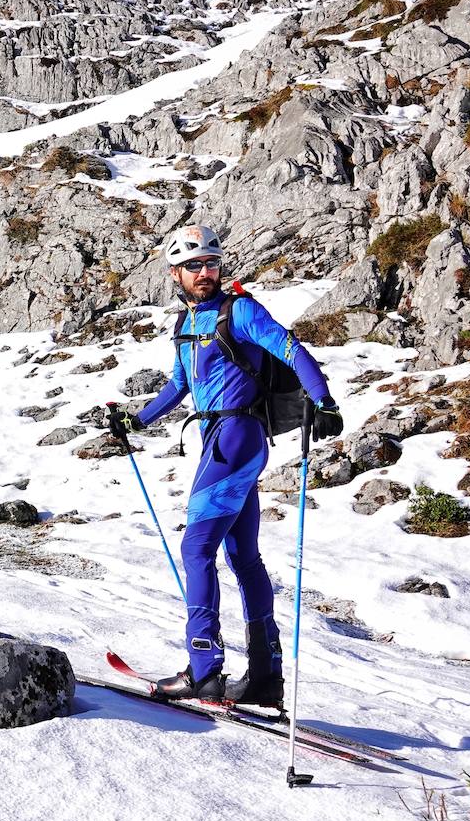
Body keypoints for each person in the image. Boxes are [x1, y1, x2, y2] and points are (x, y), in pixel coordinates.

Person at [107, 225, 343, 705]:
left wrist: (324, 401)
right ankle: (263, 677)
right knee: (242, 556)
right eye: (194, 266)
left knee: (196, 548)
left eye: (211, 263)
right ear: (175, 273)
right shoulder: (186, 325)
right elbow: (180, 385)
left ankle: (203, 669)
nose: (205, 273)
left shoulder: (240, 311)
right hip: (221, 437)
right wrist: (136, 421)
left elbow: (291, 349)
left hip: (237, 436)